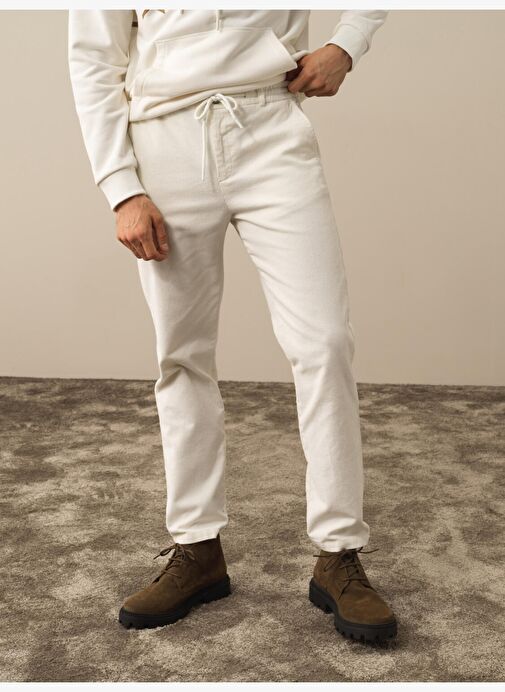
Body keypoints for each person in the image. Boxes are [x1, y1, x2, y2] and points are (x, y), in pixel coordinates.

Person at [68, 8, 397, 644]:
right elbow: (93, 57)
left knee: (325, 341)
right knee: (181, 354)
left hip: (270, 125)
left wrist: (348, 44)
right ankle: (197, 549)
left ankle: (338, 554)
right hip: (163, 139)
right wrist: (121, 187)